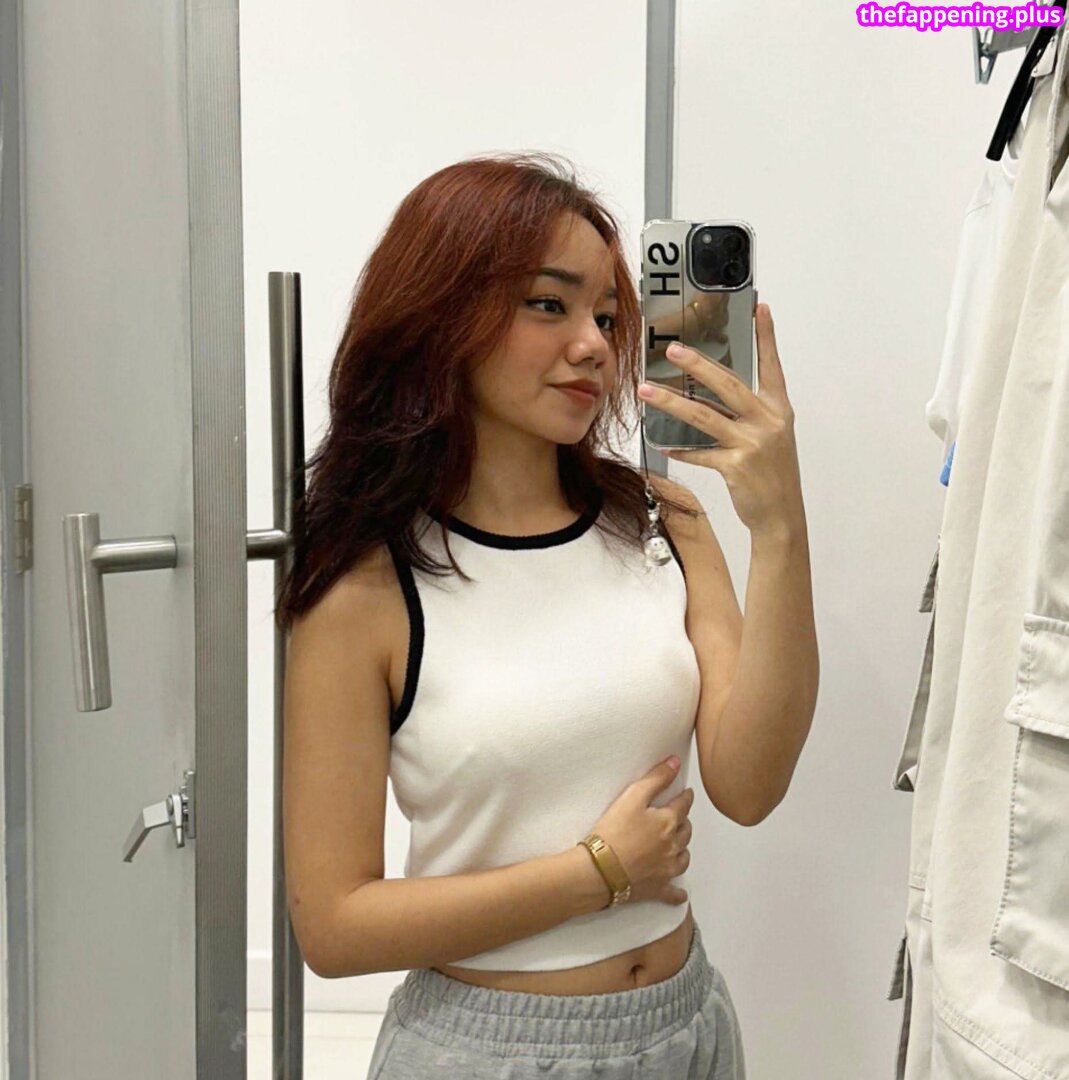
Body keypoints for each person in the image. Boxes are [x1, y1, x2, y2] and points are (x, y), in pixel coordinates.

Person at [277, 151, 817, 1078]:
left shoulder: (660, 518)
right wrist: (597, 871)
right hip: (490, 1052)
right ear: (441, 314)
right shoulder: (368, 584)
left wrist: (779, 528)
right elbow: (334, 927)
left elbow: (749, 784)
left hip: (687, 1026)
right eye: (547, 304)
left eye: (606, 315)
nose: (594, 345)